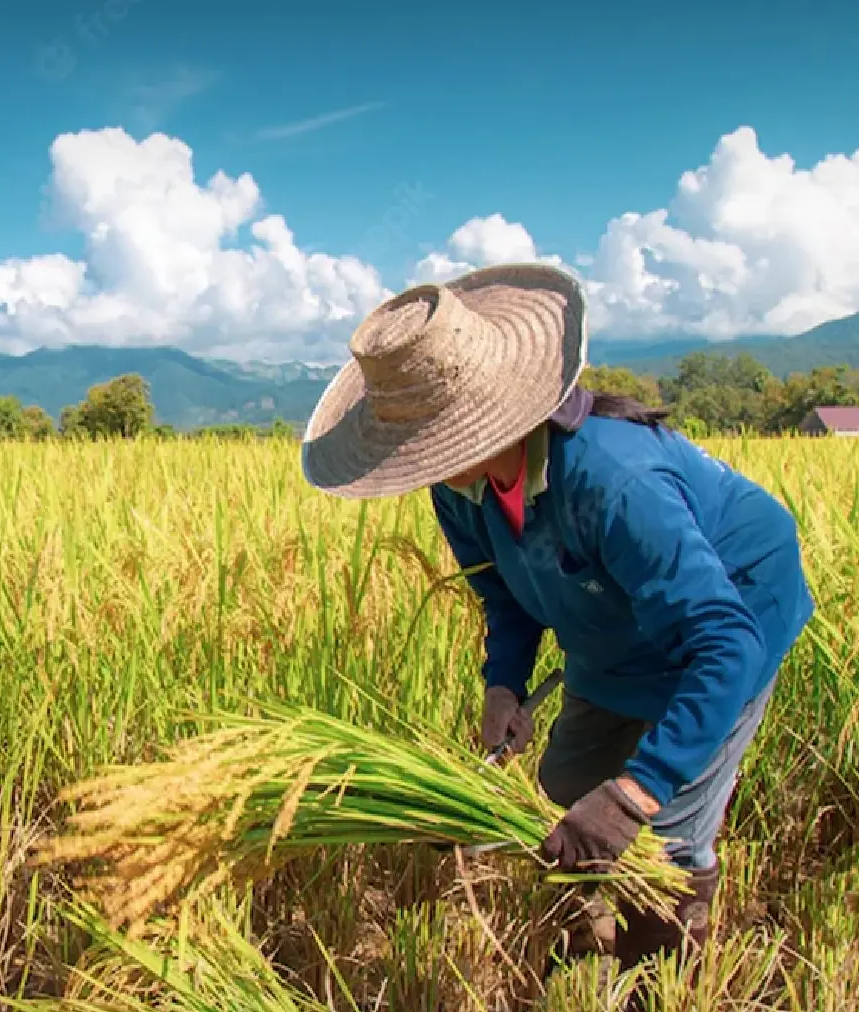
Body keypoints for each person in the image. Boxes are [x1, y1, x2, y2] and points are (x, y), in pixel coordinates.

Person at [298, 263, 814, 968]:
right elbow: (505, 594)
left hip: (734, 613)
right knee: (564, 797)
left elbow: (724, 645)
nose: (420, 465)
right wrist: (503, 686)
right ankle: (581, 953)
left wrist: (635, 794)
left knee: (659, 836)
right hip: (610, 626)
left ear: (485, 420)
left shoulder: (613, 483)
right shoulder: (459, 487)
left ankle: (653, 1003)